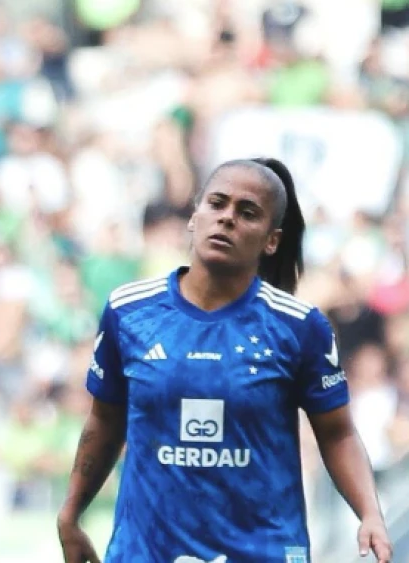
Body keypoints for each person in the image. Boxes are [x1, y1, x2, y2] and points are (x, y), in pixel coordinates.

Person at [57, 158, 393, 562]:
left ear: (272, 240)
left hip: (261, 551)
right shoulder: (128, 312)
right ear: (194, 217)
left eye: (247, 212)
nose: (227, 218)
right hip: (147, 552)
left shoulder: (299, 327)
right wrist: (71, 515)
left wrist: (370, 513)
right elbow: (105, 420)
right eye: (217, 204)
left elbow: (337, 433)